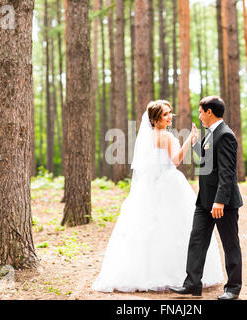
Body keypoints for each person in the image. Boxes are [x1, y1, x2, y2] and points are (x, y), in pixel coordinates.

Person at [91, 100, 224, 293]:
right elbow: (177, 160)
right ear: (154, 119)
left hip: (151, 184)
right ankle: (177, 274)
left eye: (170, 112)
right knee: (177, 227)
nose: (170, 116)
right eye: (165, 114)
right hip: (170, 183)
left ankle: (149, 272)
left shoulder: (150, 136)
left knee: (151, 228)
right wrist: (191, 139)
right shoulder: (166, 136)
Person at [170, 96, 243, 300]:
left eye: (201, 111)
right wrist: (194, 143)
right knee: (197, 240)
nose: (200, 115)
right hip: (204, 201)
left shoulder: (225, 135)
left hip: (223, 203)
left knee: (230, 244)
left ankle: (233, 288)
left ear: (209, 112)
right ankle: (192, 284)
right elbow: (203, 162)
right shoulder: (210, 134)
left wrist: (220, 200)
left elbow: (227, 172)